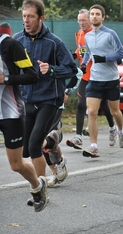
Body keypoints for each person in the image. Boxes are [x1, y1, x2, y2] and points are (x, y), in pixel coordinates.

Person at [14, 0, 77, 179]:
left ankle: (39, 188)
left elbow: (72, 69)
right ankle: (54, 143)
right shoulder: (17, 40)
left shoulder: (54, 42)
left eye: (31, 17)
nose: (26, 20)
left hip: (49, 100)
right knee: (26, 149)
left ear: (41, 18)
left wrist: (51, 69)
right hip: (26, 98)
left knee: (34, 145)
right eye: (24, 16)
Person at [0, 24, 49, 212]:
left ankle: (37, 186)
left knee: (16, 164)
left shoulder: (10, 45)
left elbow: (32, 76)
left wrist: (5, 79)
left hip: (11, 112)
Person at [66, 9, 116, 150]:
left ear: (90, 20)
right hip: (85, 76)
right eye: (79, 20)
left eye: (84, 20)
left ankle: (112, 128)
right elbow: (81, 50)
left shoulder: (96, 35)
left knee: (105, 106)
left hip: (99, 76)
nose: (82, 23)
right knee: (81, 104)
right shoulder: (79, 34)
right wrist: (75, 56)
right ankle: (78, 137)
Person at [81, 4, 123, 157]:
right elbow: (88, 52)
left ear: (103, 17)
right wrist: (84, 63)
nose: (94, 16)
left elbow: (121, 53)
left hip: (111, 79)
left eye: (97, 14)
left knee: (115, 111)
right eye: (92, 14)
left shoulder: (110, 34)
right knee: (92, 111)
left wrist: (105, 58)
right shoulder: (87, 35)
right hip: (95, 79)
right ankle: (93, 146)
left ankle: (121, 130)